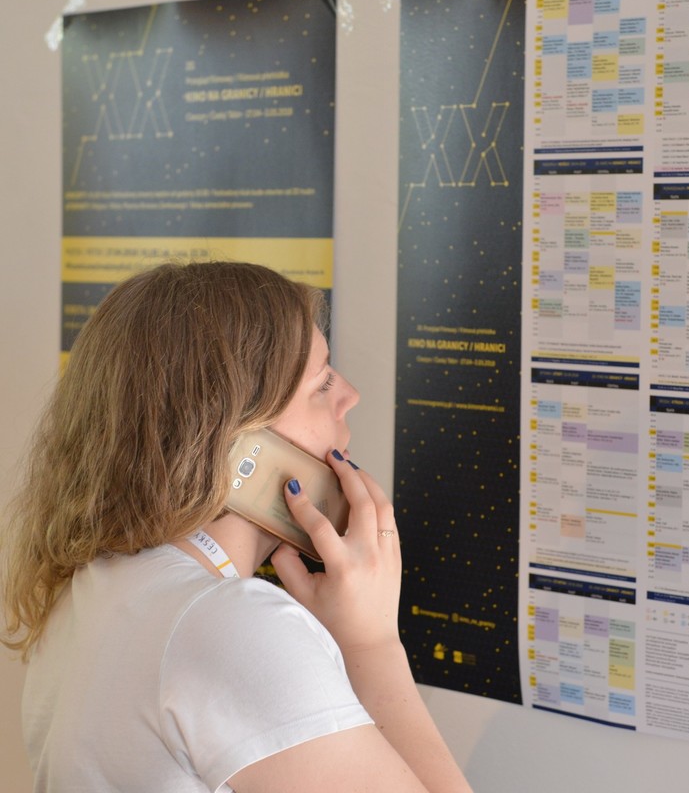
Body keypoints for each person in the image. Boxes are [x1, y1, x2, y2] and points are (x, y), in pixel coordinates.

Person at [1, 261, 473, 792]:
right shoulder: (231, 627)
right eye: (322, 383)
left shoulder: (92, 588)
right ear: (237, 445)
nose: (350, 395)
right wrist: (371, 645)